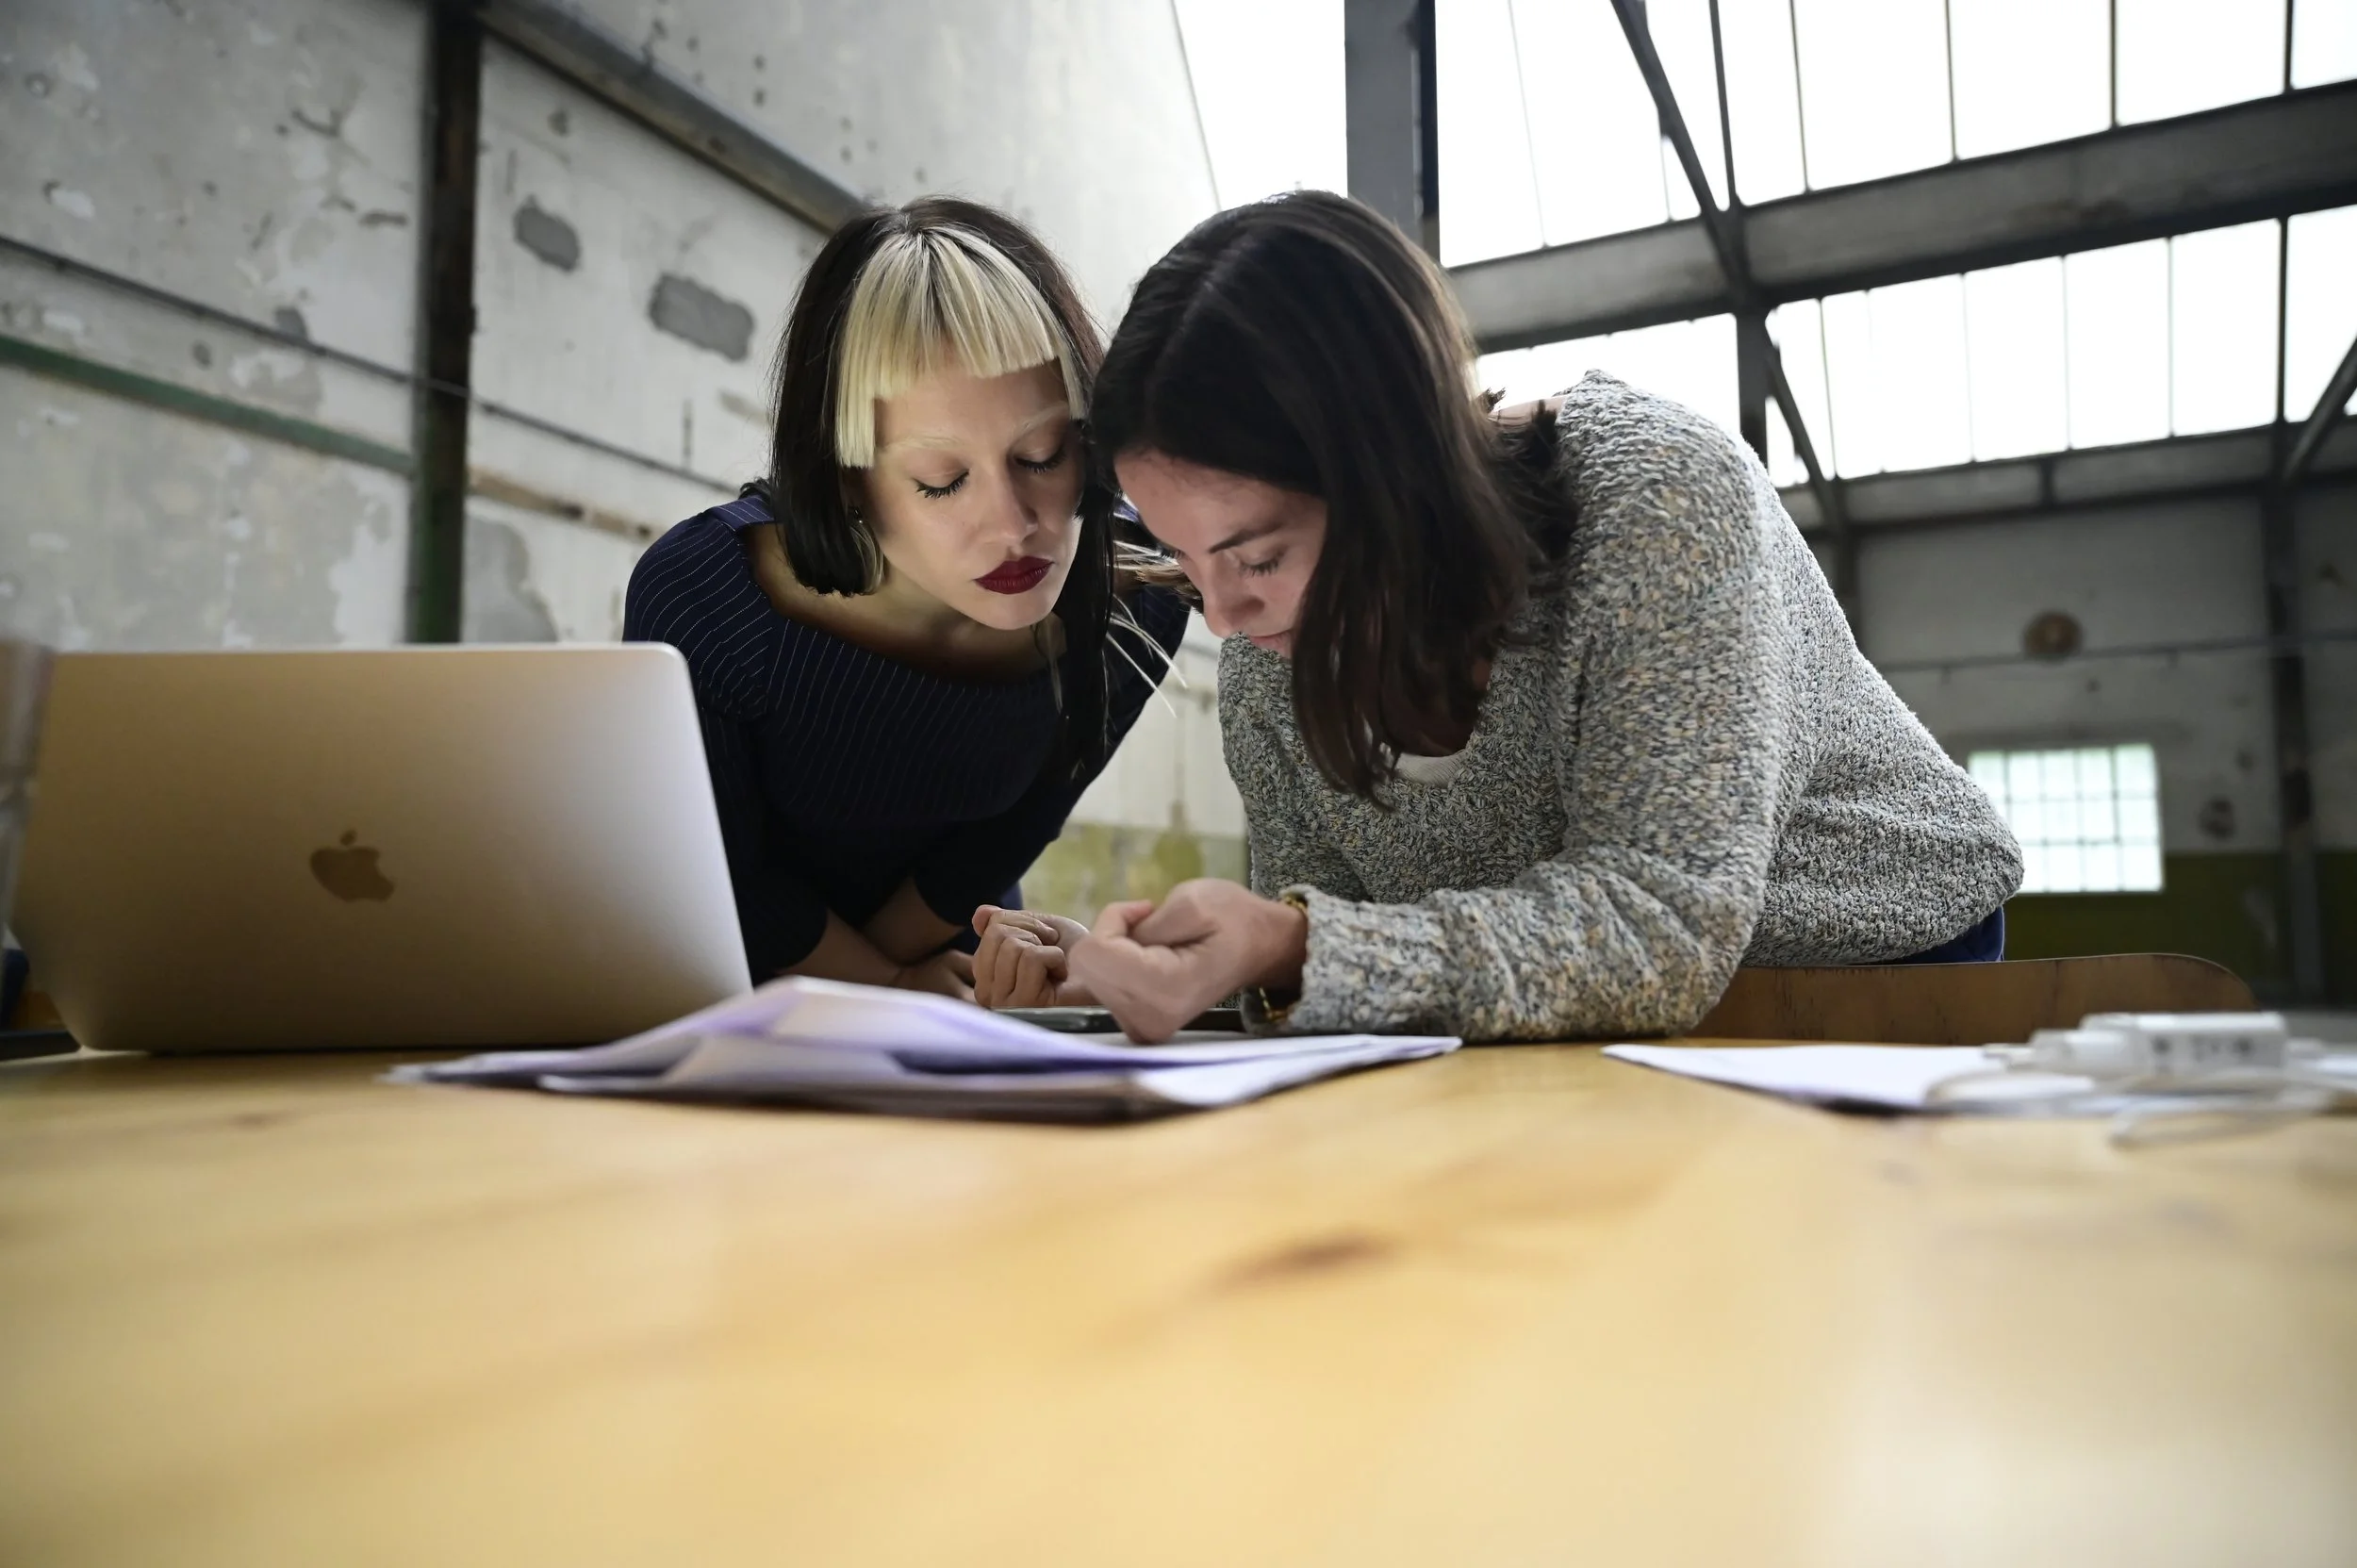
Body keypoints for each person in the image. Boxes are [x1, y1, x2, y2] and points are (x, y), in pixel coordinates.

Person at [972, 190, 2020, 1041]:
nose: (1228, 618)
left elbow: (1658, 924)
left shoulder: (1659, 499)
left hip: (1866, 983)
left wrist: (1297, 946)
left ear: (1395, 473)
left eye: (1258, 555)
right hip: (1562, 1028)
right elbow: (1338, 955)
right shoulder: (1265, 658)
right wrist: (1169, 971)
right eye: (1189, 563)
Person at [627, 197, 1186, 999]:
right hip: (733, 996)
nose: (1014, 525)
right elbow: (718, 870)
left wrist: (906, 980)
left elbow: (1003, 841)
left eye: (1041, 454)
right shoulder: (709, 594)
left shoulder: (1141, 591)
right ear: (850, 481)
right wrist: (883, 982)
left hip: (951, 980)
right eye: (941, 480)